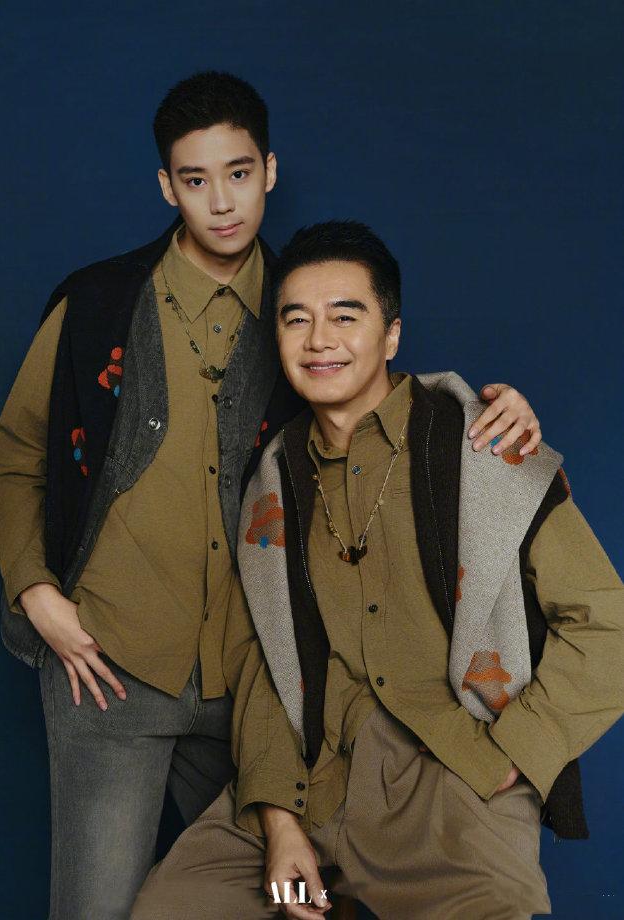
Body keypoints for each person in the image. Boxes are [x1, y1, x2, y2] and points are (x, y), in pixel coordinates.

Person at [0, 72, 542, 919]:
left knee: (301, 897)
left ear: (270, 172)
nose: (221, 202)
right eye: (196, 179)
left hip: (263, 682)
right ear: (166, 187)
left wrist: (493, 408)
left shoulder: (301, 312)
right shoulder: (95, 304)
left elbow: (378, 402)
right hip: (107, 665)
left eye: (239, 174)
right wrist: (37, 593)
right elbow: (17, 454)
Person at [132, 221, 624, 920]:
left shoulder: (485, 444)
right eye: (296, 319)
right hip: (312, 783)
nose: (319, 340)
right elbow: (263, 662)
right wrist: (279, 822)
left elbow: (608, 623)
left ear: (391, 336)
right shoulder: (272, 479)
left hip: (454, 777)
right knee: (171, 909)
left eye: (345, 316)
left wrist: (519, 751)